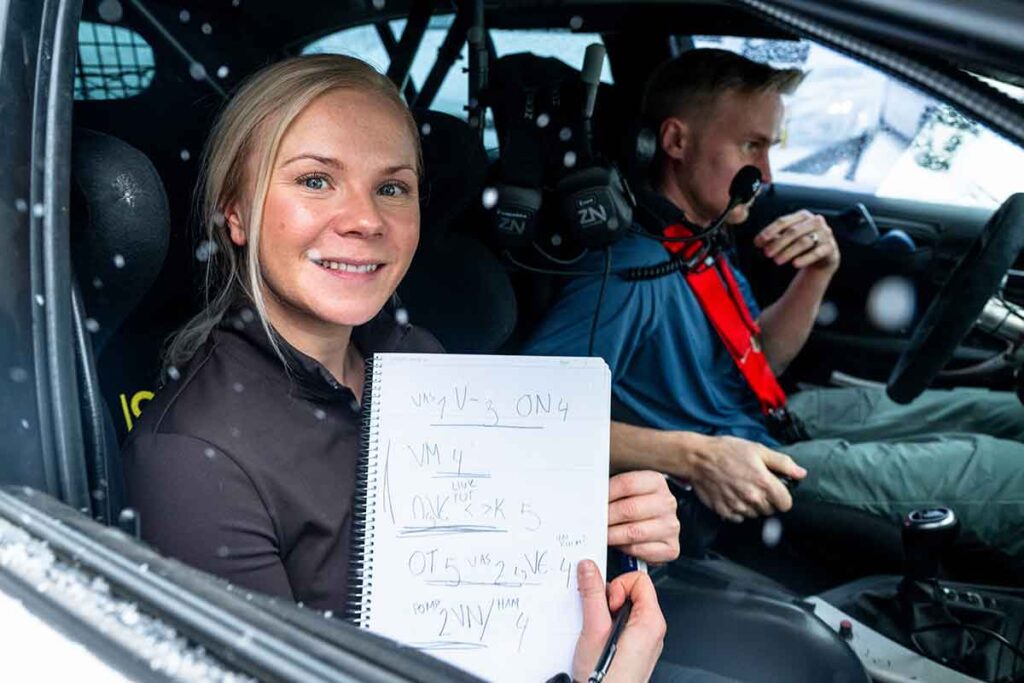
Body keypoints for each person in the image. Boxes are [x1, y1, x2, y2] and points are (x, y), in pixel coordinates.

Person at [121, 54, 676, 677]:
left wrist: (608, 534)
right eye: (315, 180)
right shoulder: (193, 456)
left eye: (391, 188)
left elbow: (499, 560)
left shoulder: (416, 359)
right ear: (236, 213)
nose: (365, 220)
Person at [522, 48, 1024, 566]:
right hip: (739, 463)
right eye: (752, 146)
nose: (766, 173)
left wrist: (818, 272)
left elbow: (761, 358)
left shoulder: (695, 237)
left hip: (769, 415)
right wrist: (697, 457)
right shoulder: (628, 271)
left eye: (770, 147)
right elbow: (531, 414)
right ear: (675, 141)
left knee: (1008, 413)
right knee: (1009, 475)